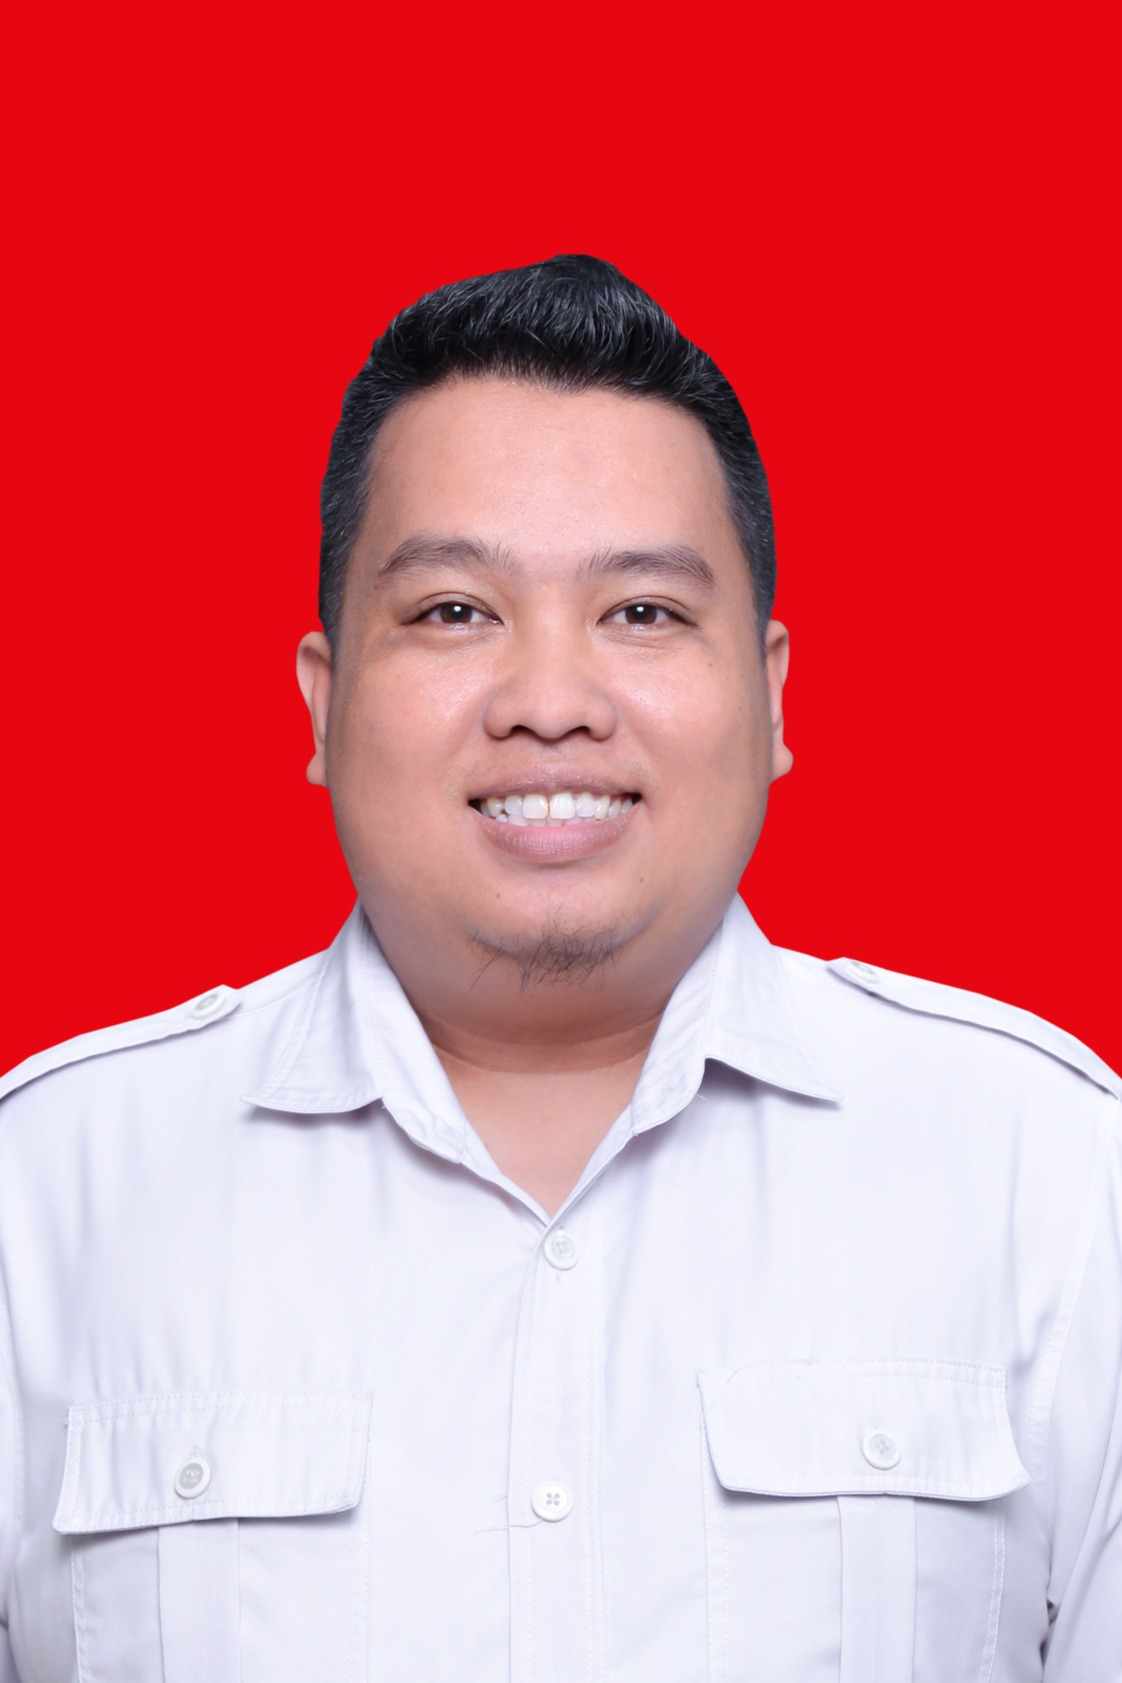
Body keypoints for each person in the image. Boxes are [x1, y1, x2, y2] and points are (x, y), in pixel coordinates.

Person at [0, 256, 1118, 1683]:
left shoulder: (1050, 1182)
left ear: (772, 692)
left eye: (642, 612)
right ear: (324, 704)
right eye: (454, 611)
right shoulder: (45, 1199)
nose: (548, 705)